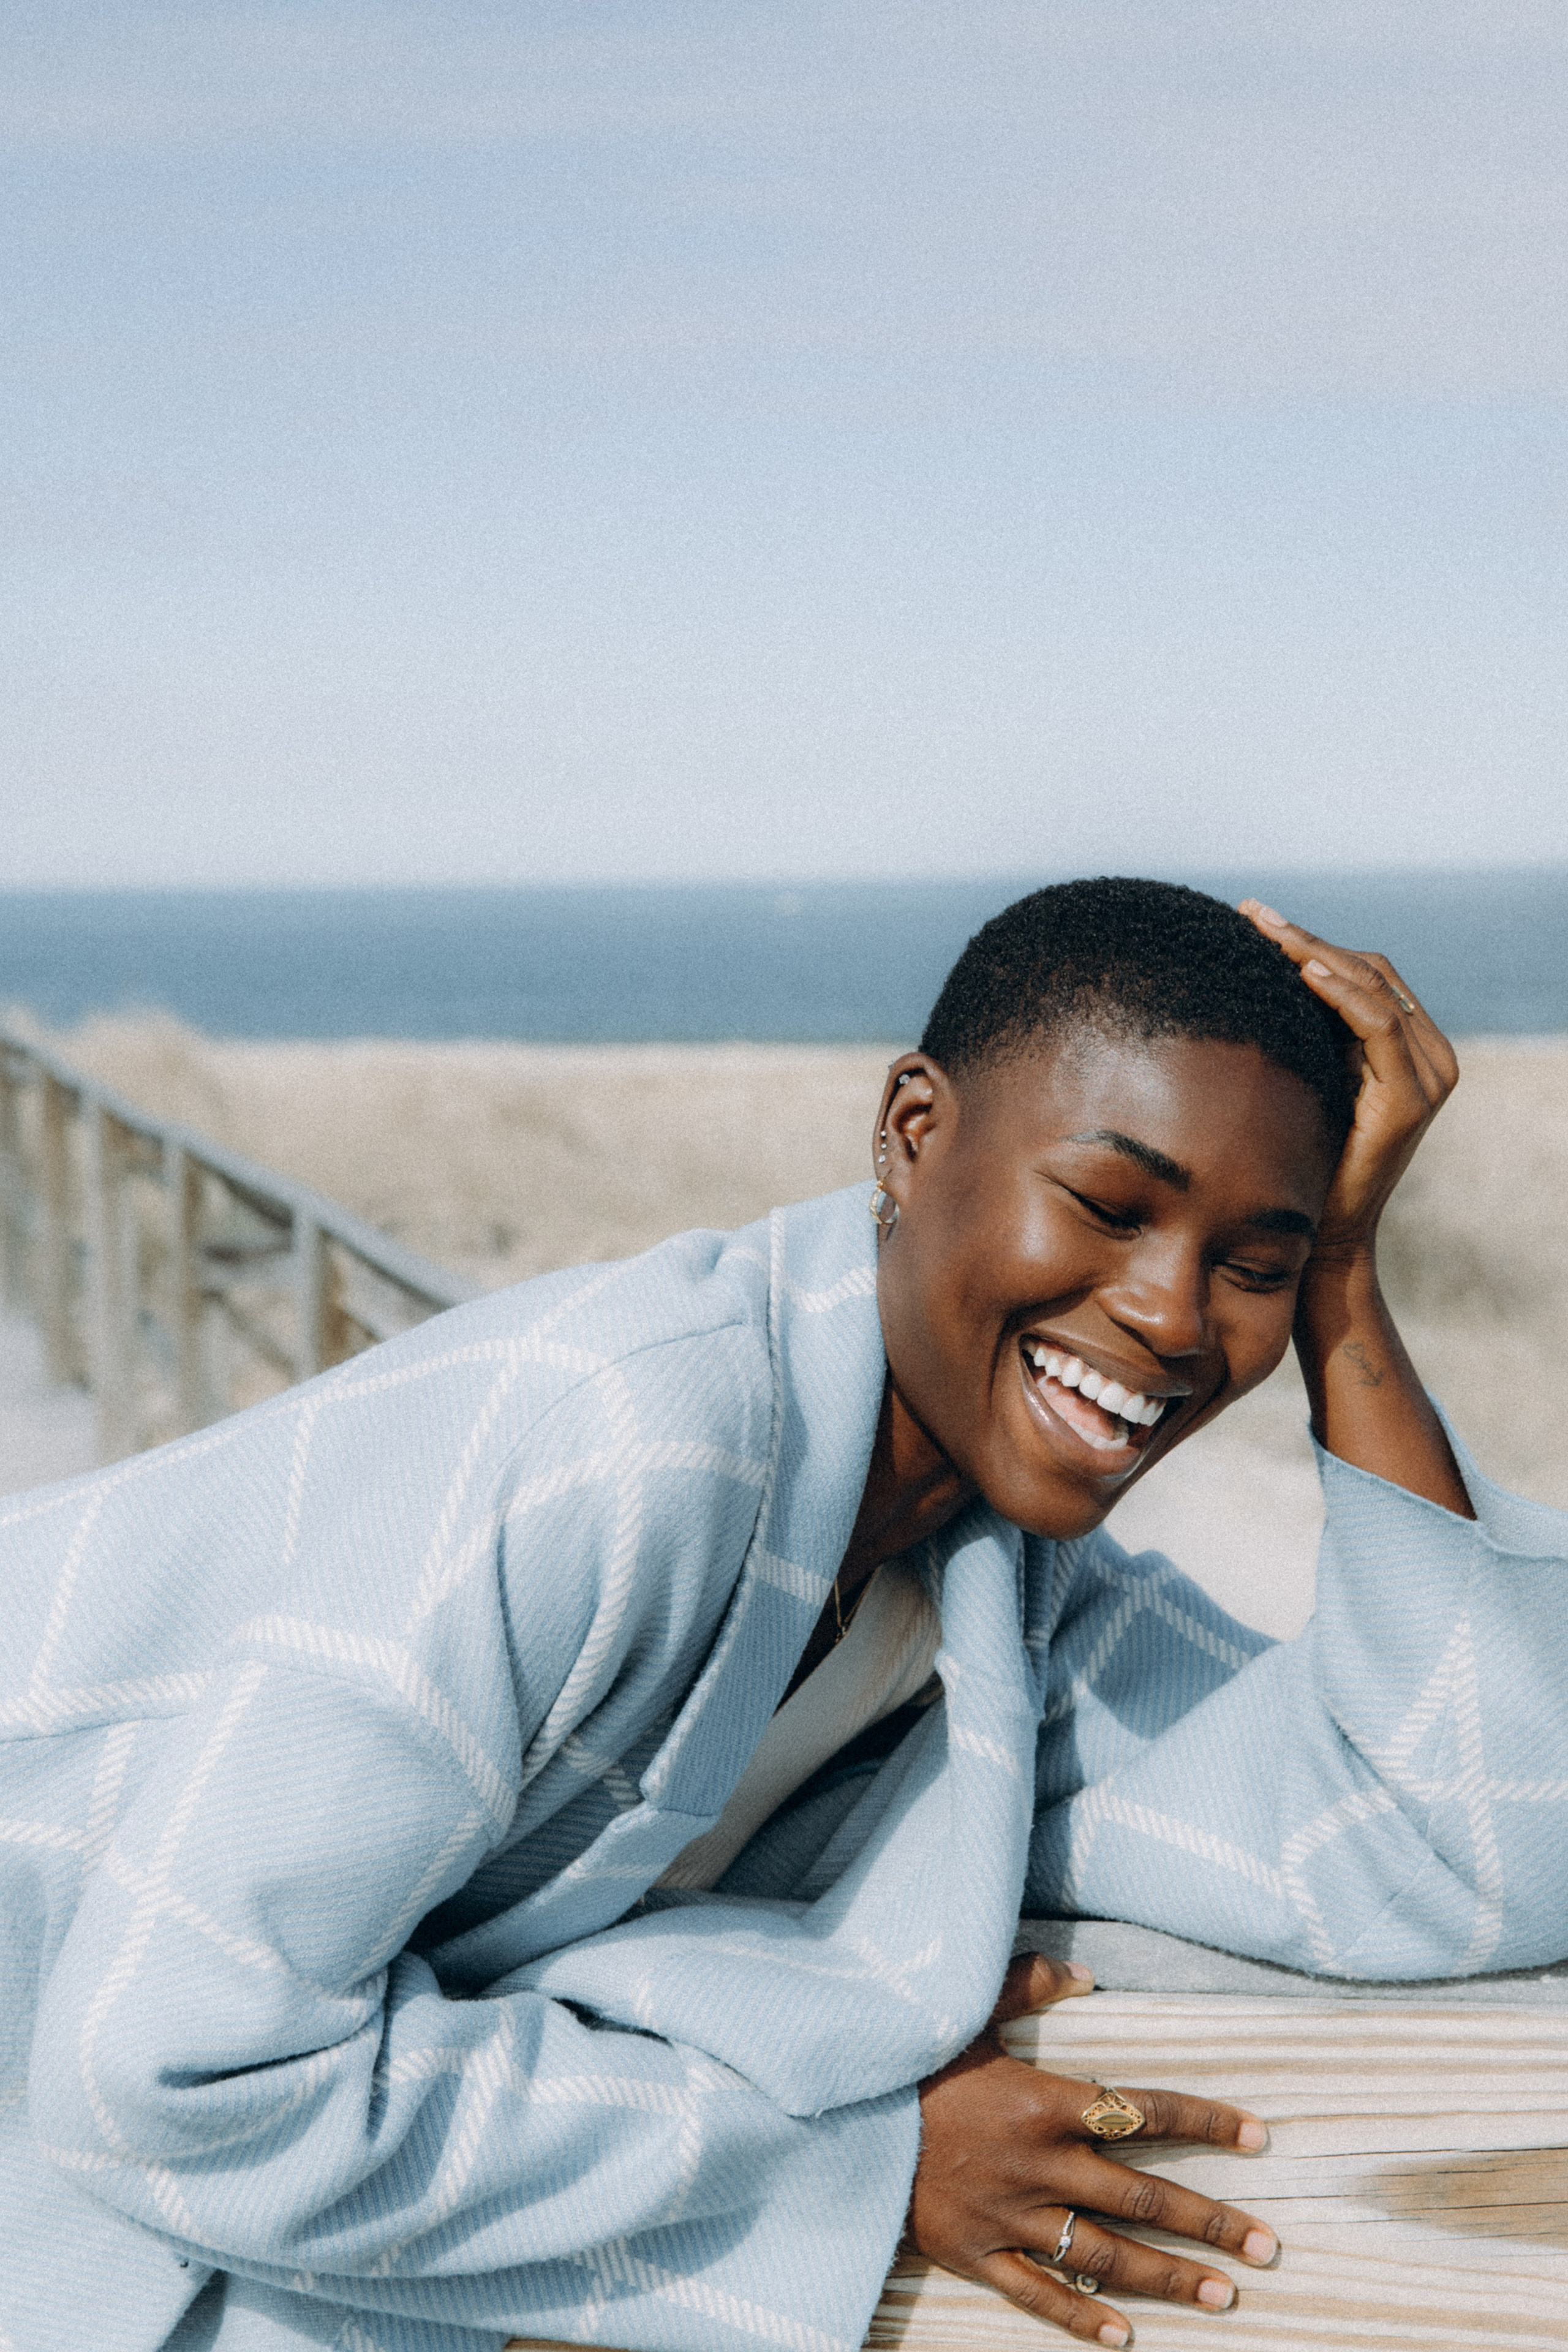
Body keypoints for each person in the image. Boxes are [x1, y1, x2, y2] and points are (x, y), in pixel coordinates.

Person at [4, 880, 1566, 2352]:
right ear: (909, 1134)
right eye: (1105, 1203)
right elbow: (170, 2076)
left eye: (1250, 1261)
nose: (1169, 1313)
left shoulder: (1001, 1597)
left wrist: (1348, 1280)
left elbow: (1468, 1849)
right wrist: (855, 2166)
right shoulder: (630, 1448)